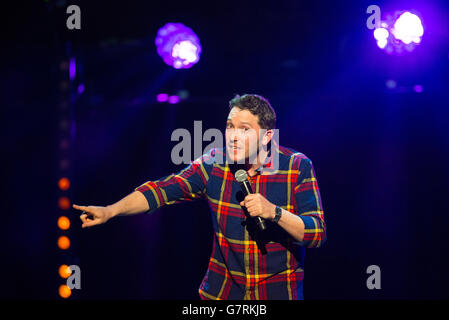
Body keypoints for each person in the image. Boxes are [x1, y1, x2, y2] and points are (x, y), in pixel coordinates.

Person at [73, 94, 326, 300]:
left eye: (244, 129)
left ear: (267, 135)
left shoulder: (296, 166)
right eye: (230, 127)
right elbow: (161, 190)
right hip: (222, 293)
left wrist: (275, 213)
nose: (233, 136)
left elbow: (316, 234)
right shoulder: (214, 163)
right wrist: (110, 210)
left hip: (278, 292)